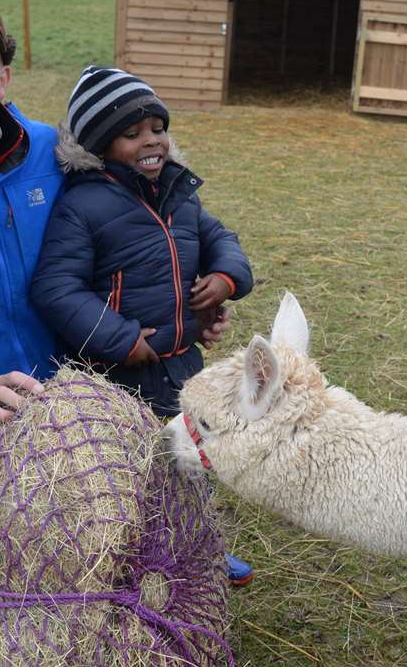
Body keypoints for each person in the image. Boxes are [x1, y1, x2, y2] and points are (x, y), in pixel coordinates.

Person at [29, 68, 256, 583]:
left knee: (192, 464)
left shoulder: (178, 194)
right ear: (100, 146)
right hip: (118, 375)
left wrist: (225, 277)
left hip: (183, 364)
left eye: (157, 127)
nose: (150, 140)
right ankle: (126, 565)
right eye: (131, 134)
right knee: (130, 473)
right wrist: (121, 338)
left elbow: (222, 236)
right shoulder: (82, 207)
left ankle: (202, 551)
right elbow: (56, 289)